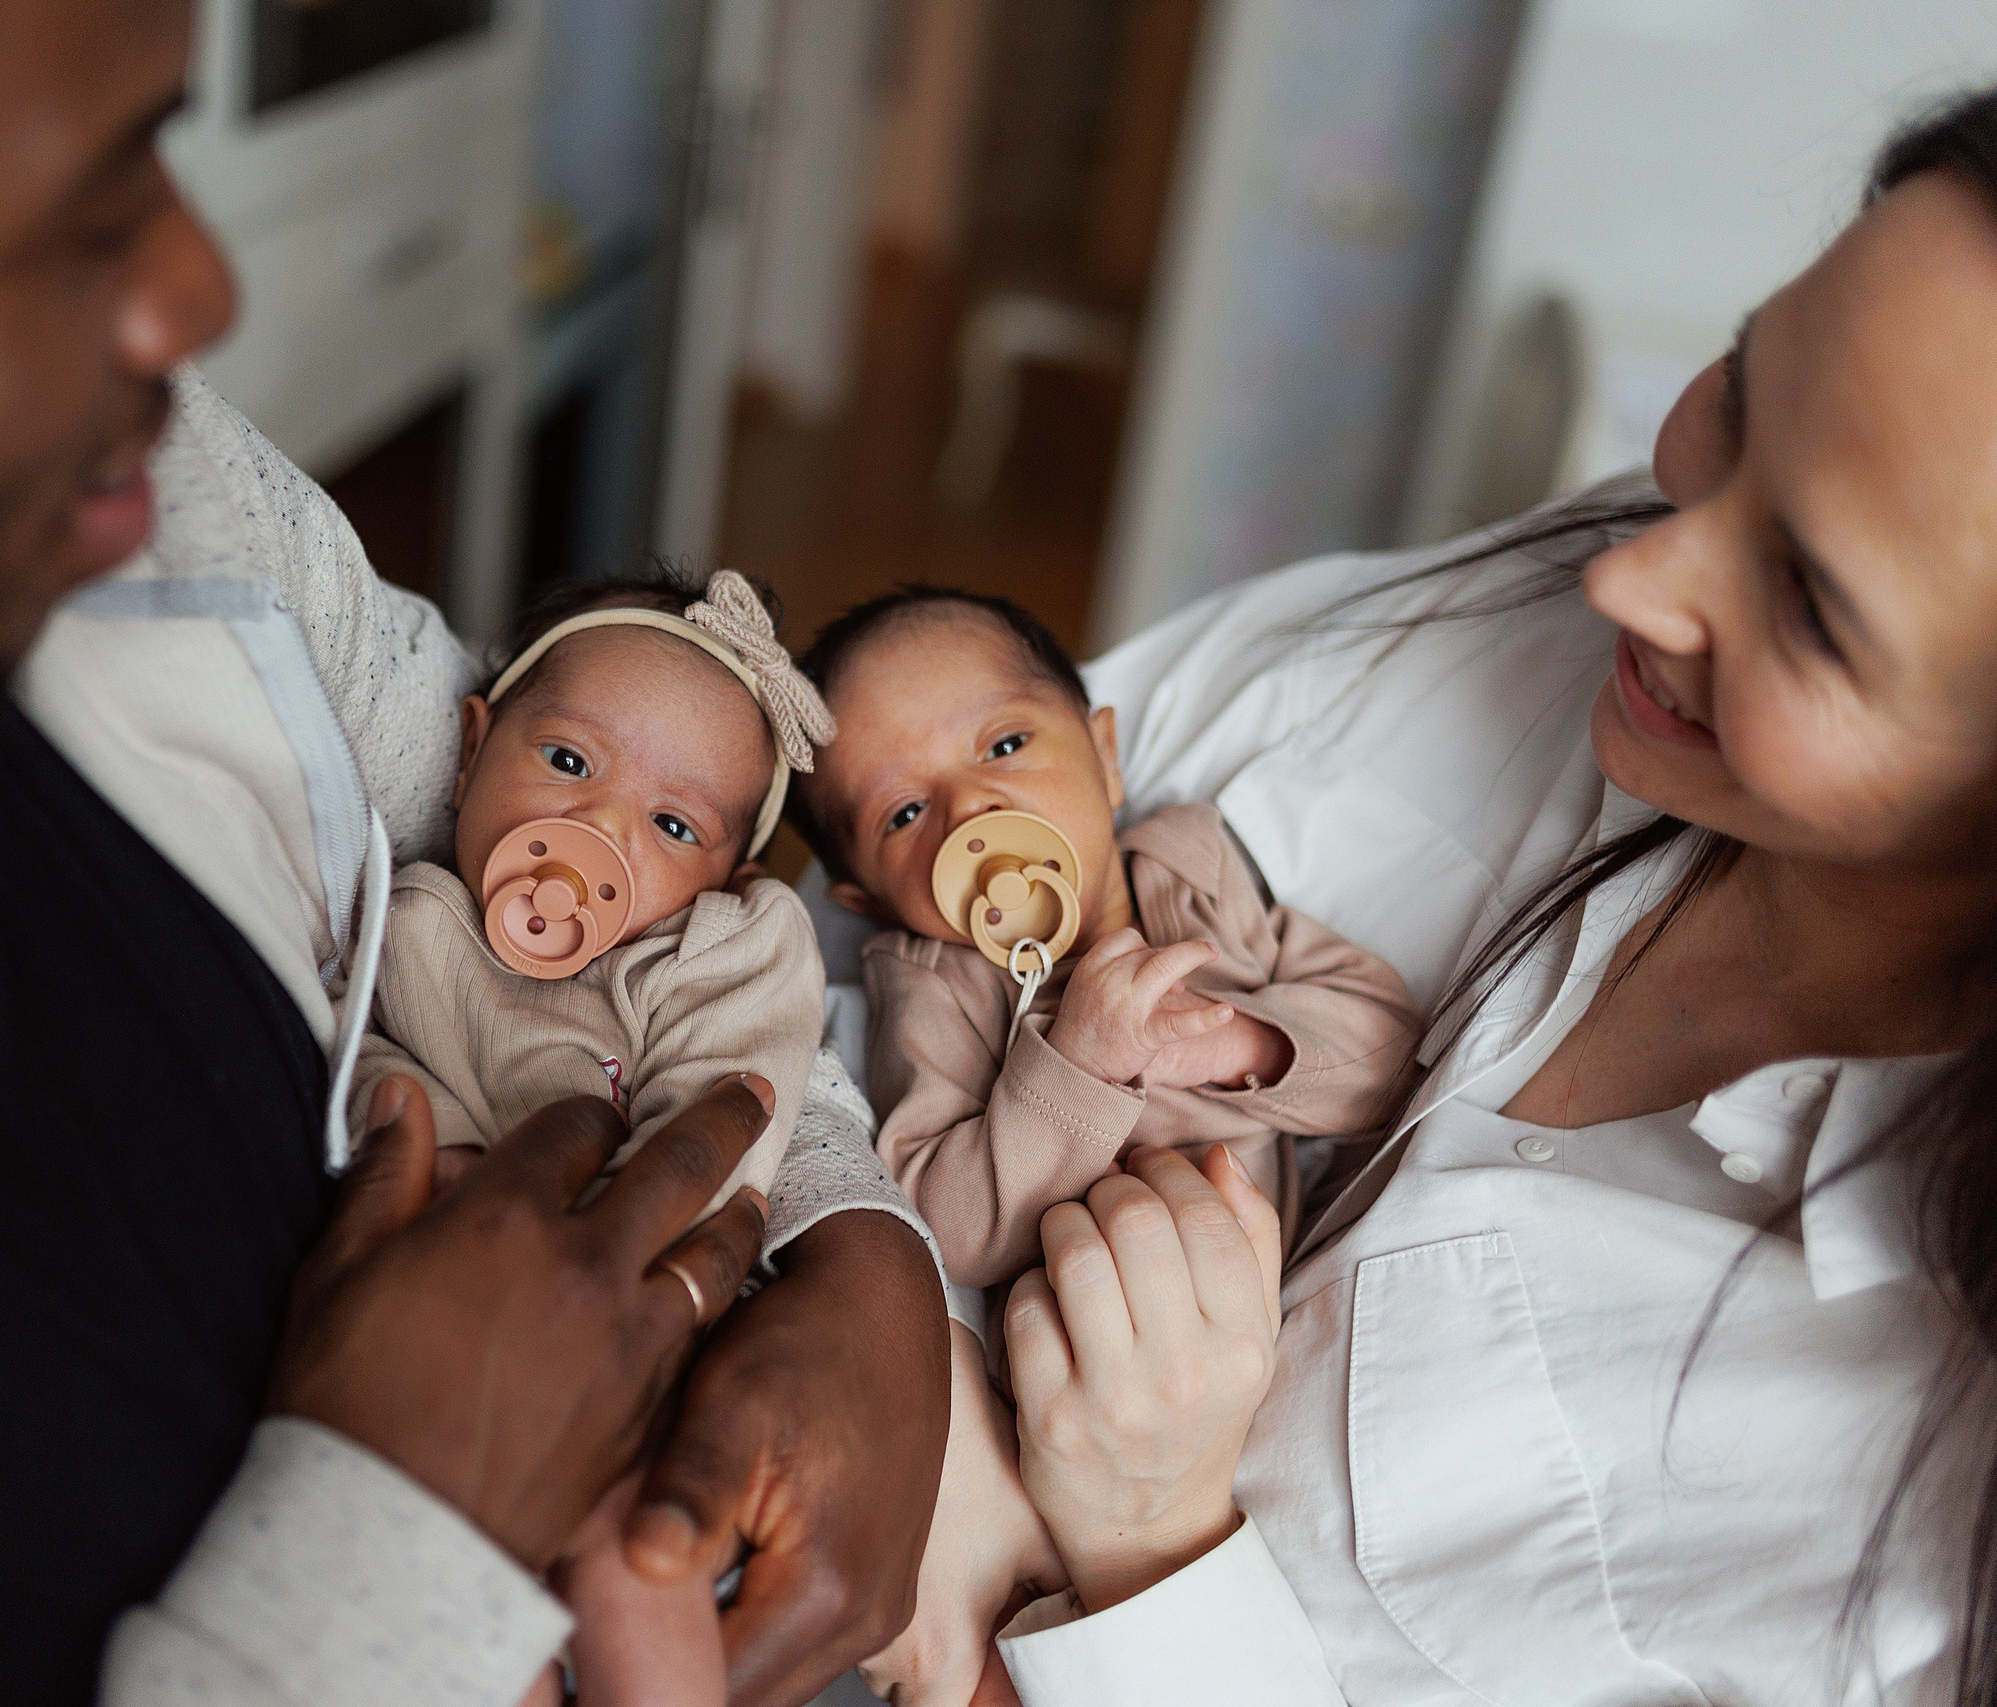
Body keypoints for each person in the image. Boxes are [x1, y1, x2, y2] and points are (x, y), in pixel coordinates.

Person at [0, 3, 953, 1706]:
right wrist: (394, 1541)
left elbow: (610, 862)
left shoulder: (147, 498)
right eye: (72, 214)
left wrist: (864, 1255)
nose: (195, 294)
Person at [973, 88, 1997, 1705]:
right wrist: (890, 1319)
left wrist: (1150, 1546)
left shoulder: (1911, 1493)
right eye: (1742, 390)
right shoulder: (1573, 620)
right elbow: (941, 823)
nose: (1628, 570)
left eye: (1809, 604)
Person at [780, 589, 1418, 1704]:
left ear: (1106, 756)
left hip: (1280, 1359)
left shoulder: (1194, 876)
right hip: (1071, 1409)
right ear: (859, 896)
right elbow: (955, 1224)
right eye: (903, 816)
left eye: (1008, 744)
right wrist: (1076, 1064)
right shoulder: (936, 986)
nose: (974, 808)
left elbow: (1385, 1048)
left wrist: (1238, 1039)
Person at [352, 564, 835, 1707]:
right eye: (568, 763)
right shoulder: (406, 920)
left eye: (672, 825)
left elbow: (731, 1108)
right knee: (456, 1586)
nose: (598, 830)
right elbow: (366, 1076)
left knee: (636, 1566)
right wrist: (438, 1161)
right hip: (447, 1340)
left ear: (732, 876)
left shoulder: (716, 952)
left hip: (655, 1333)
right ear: (471, 749)